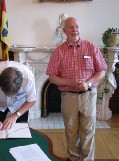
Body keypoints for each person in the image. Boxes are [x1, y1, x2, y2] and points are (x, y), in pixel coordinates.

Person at [46, 17, 107, 161]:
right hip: (68, 96)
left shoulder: (91, 47)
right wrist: (69, 82)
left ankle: (87, 159)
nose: (75, 30)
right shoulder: (59, 51)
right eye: (71, 27)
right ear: (64, 30)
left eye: (77, 26)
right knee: (71, 131)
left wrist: (89, 83)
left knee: (88, 131)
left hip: (88, 95)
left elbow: (102, 71)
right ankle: (73, 158)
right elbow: (52, 77)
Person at [0, 61, 36, 131]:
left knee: (21, 131)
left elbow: (32, 100)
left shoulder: (28, 78)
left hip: (19, 105)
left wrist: (16, 115)